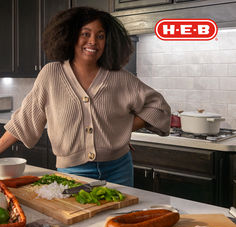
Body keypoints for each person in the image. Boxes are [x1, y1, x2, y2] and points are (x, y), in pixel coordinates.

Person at [0, 7, 171, 187]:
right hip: (73, 172)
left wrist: (122, 129)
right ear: (71, 36)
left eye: (100, 36)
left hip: (118, 169)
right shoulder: (51, 74)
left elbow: (158, 107)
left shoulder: (120, 78)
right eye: (85, 34)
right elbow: (24, 120)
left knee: (120, 214)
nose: (93, 41)